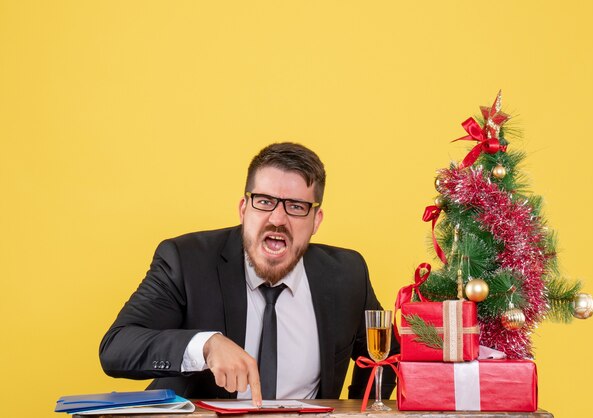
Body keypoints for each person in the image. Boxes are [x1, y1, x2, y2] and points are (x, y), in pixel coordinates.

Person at [99, 142, 398, 404]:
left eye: (295, 206)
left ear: (316, 221)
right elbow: (116, 347)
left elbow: (383, 357)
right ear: (244, 209)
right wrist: (205, 345)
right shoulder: (186, 261)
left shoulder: (347, 274)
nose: (277, 219)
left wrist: (364, 408)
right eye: (265, 202)